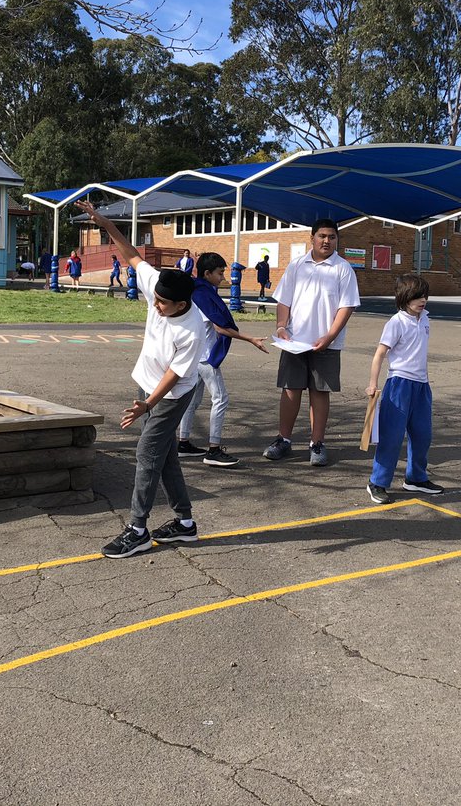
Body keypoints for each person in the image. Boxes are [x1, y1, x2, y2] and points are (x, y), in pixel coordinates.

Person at [72, 200, 208, 558]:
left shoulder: (192, 329)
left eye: (162, 303)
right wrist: (103, 222)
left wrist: (148, 404)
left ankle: (137, 530)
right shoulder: (158, 286)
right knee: (165, 456)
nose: (155, 305)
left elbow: (175, 375)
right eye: (155, 299)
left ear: (181, 305)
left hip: (170, 396)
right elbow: (131, 254)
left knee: (147, 453)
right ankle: (185, 523)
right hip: (146, 386)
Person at [263, 218, 361, 466]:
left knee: (319, 392)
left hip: (325, 344)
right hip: (294, 341)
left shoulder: (343, 269)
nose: (327, 241)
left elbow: (346, 307)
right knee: (290, 389)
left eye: (332, 237)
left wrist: (330, 336)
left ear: (337, 240)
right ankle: (283, 440)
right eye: (322, 236)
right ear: (312, 238)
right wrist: (281, 326)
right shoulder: (297, 265)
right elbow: (284, 301)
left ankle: (316, 444)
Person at [177, 252, 270, 467]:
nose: (223, 278)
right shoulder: (203, 295)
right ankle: (214, 449)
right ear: (207, 273)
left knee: (192, 401)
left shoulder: (196, 290)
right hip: (206, 357)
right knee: (220, 399)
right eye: (219, 273)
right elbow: (219, 327)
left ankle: (183, 442)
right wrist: (250, 339)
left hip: (194, 355)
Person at [364, 274, 443, 503]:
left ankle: (416, 478)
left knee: (422, 435)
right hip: (399, 384)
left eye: (425, 296)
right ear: (404, 298)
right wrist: (372, 384)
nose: (423, 300)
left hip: (421, 385)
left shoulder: (425, 319)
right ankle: (377, 482)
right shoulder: (396, 322)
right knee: (391, 436)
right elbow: (380, 354)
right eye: (417, 296)